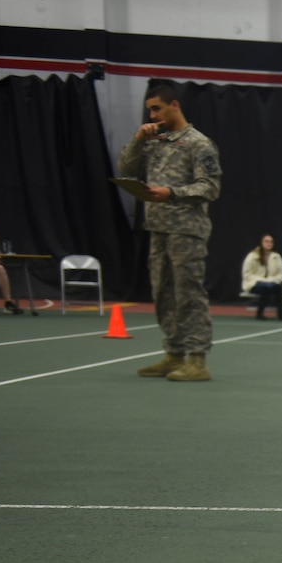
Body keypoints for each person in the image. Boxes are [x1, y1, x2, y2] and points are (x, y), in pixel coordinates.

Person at [117, 80, 222, 381]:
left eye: (157, 109)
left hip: (186, 231)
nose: (152, 116)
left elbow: (211, 187)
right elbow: (126, 168)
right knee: (163, 294)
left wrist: (172, 193)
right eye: (149, 110)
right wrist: (138, 139)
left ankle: (198, 360)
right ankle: (173, 354)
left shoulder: (199, 143)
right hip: (159, 229)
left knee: (188, 294)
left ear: (174, 105)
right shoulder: (154, 141)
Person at [241, 234, 282, 320]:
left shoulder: (276, 257)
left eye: (271, 241)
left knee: (278, 288)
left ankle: (281, 314)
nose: (269, 243)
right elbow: (247, 274)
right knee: (266, 289)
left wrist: (273, 281)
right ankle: (260, 314)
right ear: (261, 243)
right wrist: (263, 281)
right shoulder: (252, 256)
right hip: (253, 283)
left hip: (272, 282)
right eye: (266, 241)